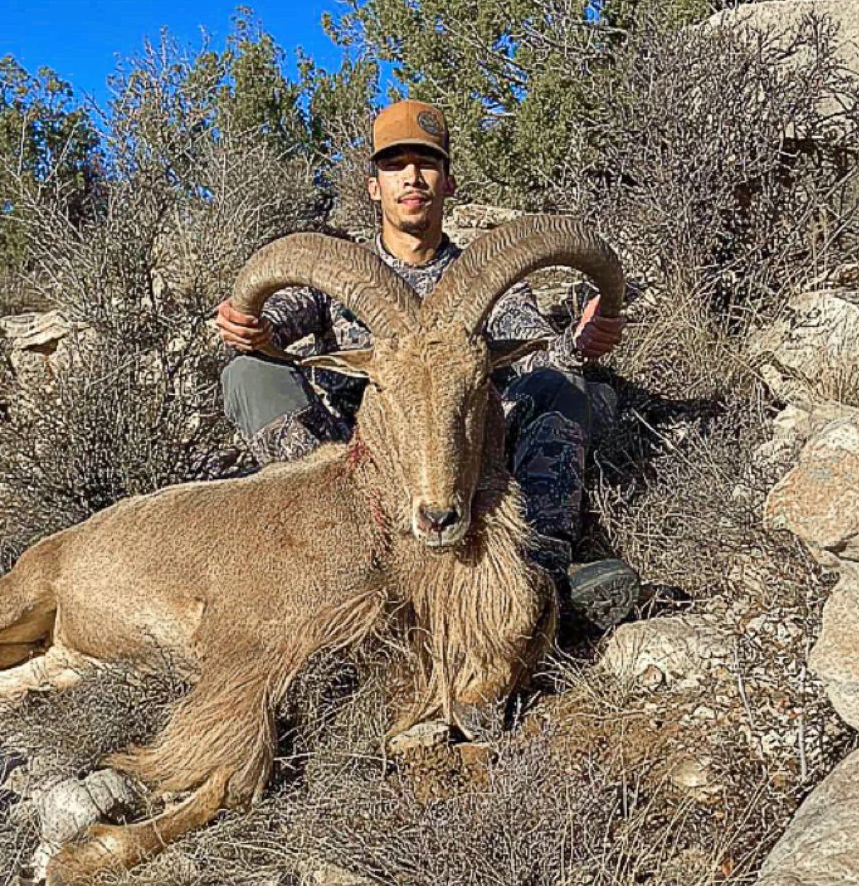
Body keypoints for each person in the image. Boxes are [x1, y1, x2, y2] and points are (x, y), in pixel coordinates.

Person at [214, 99, 638, 628]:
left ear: (448, 182)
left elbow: (537, 353)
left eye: (427, 163)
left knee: (563, 383)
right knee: (248, 373)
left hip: (457, 458)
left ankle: (543, 571)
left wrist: (580, 340)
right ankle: (324, 562)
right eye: (394, 165)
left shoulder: (486, 280)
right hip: (357, 468)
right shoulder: (339, 277)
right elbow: (267, 317)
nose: (411, 176)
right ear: (374, 185)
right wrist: (247, 329)